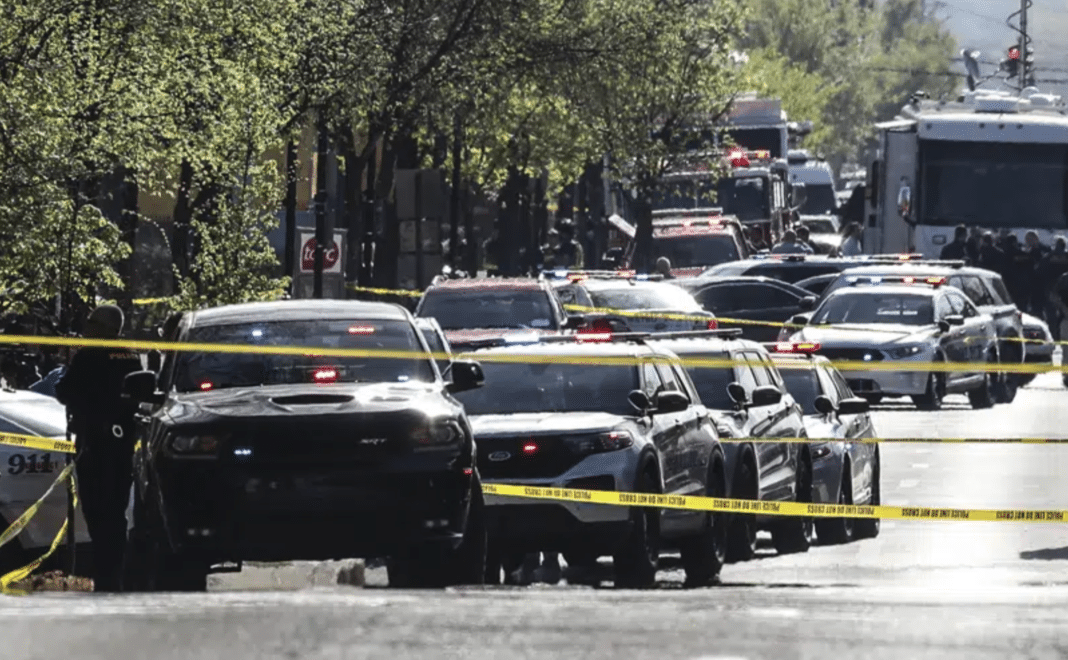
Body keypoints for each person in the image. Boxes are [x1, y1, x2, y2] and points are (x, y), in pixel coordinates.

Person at [55, 305, 144, 593]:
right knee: (116, 511)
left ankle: (105, 573)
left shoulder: (89, 355)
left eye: (91, 321)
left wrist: (70, 363)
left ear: (103, 327)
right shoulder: (129, 354)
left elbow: (64, 392)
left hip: (94, 444)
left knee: (95, 508)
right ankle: (116, 570)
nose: (86, 326)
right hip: (122, 445)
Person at [1037, 237, 1068, 338]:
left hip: (1050, 289)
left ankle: (1054, 335)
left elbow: (1039, 272)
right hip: (1064, 292)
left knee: (1051, 315)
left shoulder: (1047, 257)